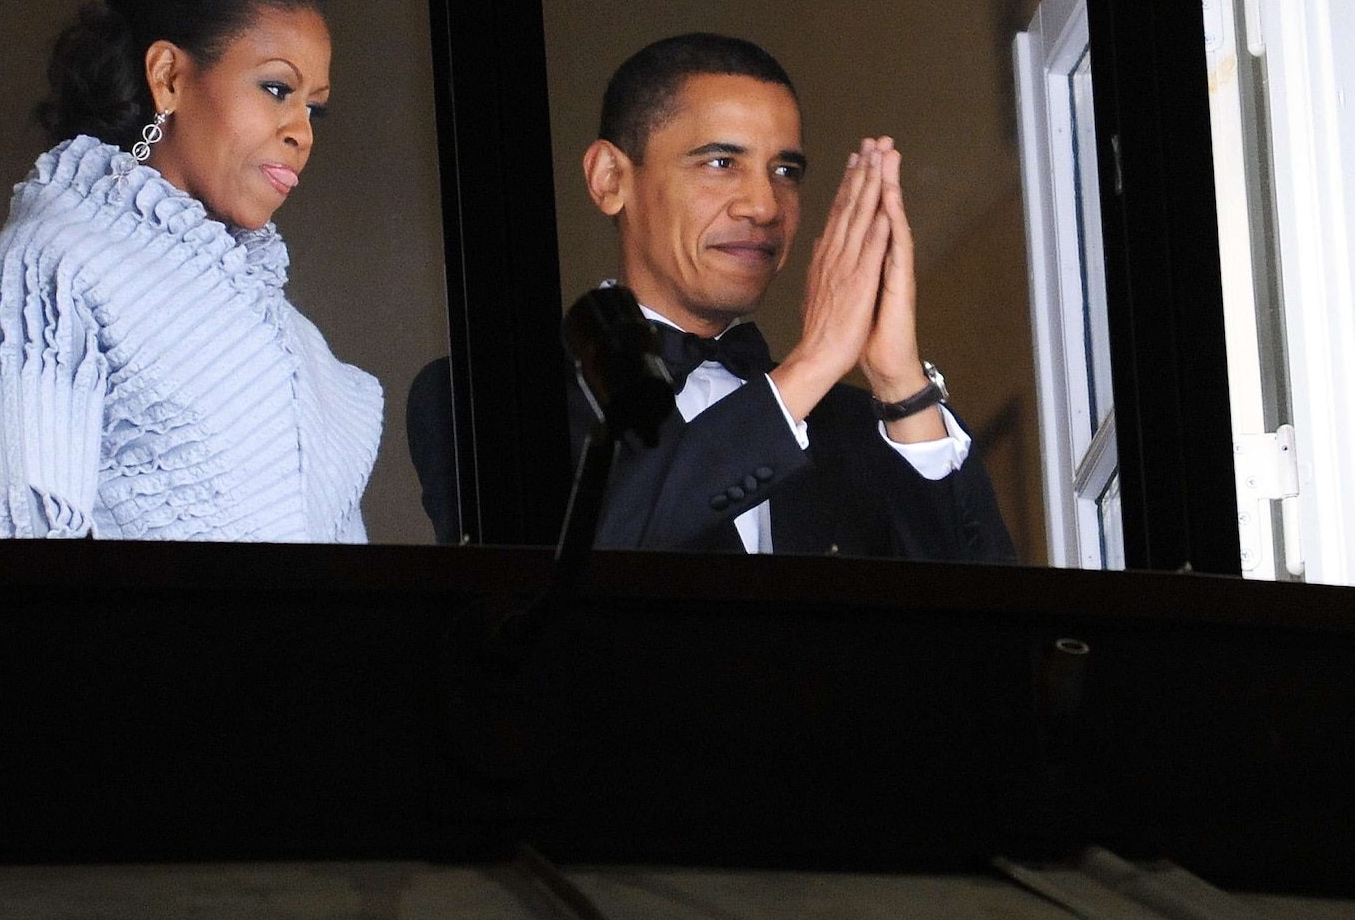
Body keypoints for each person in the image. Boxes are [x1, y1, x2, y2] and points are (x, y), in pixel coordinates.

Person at [409, 33, 1012, 561]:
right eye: (722, 162)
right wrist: (812, 365)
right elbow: (562, 581)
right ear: (610, 179)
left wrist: (902, 389)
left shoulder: (871, 425)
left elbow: (990, 651)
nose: (765, 206)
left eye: (786, 172)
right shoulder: (481, 403)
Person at [0, 0, 382, 540]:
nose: (301, 131)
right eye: (277, 88)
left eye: (314, 107)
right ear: (168, 75)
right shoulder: (50, 272)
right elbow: (20, 579)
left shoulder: (299, 345)